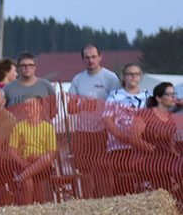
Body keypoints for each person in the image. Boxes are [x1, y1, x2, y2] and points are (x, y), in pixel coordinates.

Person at [67, 44, 121, 198]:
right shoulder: (77, 79)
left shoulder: (110, 78)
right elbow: (70, 108)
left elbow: (118, 105)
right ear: (82, 59)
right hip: (82, 132)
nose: (91, 60)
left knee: (104, 169)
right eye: (87, 57)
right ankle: (87, 202)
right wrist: (82, 105)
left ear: (100, 57)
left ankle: (105, 200)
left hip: (104, 131)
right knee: (84, 170)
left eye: (93, 57)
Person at [101, 63, 152, 195]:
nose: (133, 77)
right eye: (130, 74)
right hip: (119, 147)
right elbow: (107, 119)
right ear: (123, 77)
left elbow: (154, 119)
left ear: (140, 77)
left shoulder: (148, 96)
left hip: (142, 147)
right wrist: (124, 136)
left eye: (136, 74)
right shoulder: (114, 95)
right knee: (123, 184)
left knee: (144, 181)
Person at [129, 83, 181, 198]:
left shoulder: (170, 120)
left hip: (165, 162)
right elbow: (134, 137)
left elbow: (171, 144)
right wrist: (154, 150)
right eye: (169, 94)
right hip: (145, 161)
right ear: (158, 98)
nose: (174, 97)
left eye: (174, 94)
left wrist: (176, 155)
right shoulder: (145, 114)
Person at [8, 96, 58, 204]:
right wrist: (25, 164)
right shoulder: (19, 126)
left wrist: (37, 158)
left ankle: (22, 177)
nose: (27, 108)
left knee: (46, 158)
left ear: (40, 108)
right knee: (28, 182)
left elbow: (51, 153)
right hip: (23, 164)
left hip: (42, 165)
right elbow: (12, 151)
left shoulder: (48, 127)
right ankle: (29, 210)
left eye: (30, 105)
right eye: (25, 106)